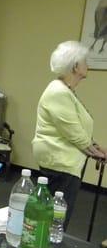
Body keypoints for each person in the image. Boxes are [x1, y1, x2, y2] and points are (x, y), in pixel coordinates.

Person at [32, 40, 106, 228]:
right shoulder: (59, 92)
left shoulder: (65, 91)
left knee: (53, 217)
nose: (87, 65)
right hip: (60, 163)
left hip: (63, 161)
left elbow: (76, 128)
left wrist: (96, 147)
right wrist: (96, 152)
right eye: (84, 61)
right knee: (55, 221)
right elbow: (73, 132)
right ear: (75, 66)